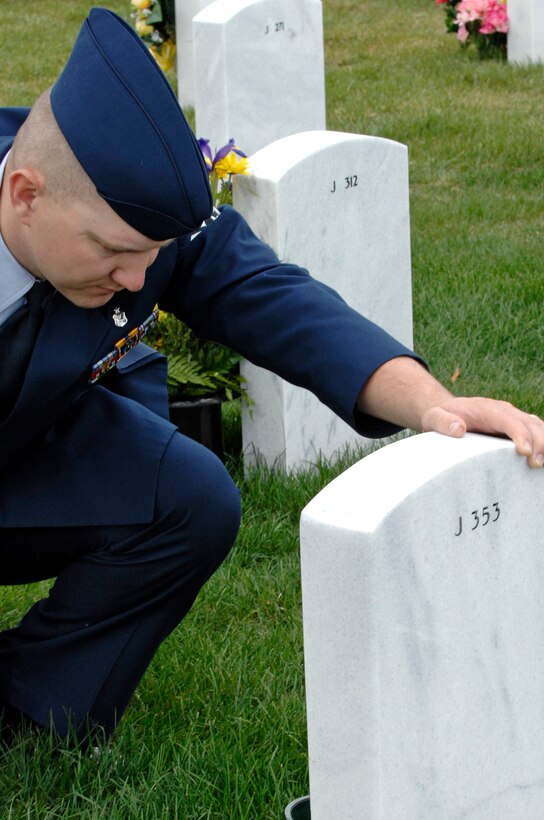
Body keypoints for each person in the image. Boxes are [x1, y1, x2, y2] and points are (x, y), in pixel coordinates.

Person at [0, 8, 541, 746]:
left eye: (149, 257)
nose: (135, 279)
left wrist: (433, 405)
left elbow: (271, 299)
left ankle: (31, 706)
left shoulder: (131, 226)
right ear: (24, 197)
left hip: (26, 448)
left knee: (187, 497)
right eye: (112, 252)